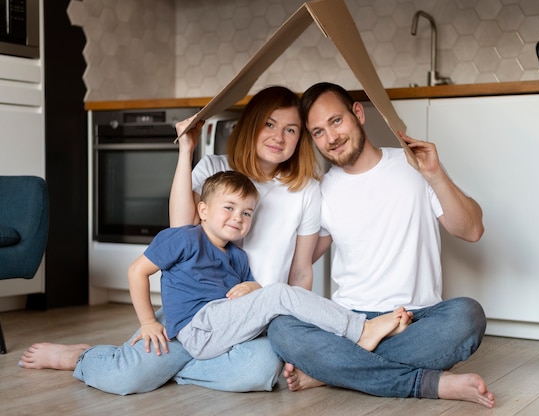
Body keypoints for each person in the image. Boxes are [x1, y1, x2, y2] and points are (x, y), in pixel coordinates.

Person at [18, 86, 323, 395]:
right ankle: (84, 356)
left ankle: (163, 368)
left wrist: (293, 331)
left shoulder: (306, 190)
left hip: (251, 321)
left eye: (291, 129)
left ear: (300, 138)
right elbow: (181, 228)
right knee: (126, 380)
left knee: (258, 372)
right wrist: (186, 150)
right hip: (192, 312)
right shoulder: (215, 168)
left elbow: (300, 272)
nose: (279, 137)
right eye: (269, 124)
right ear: (251, 124)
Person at [266, 82, 495, 409]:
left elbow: (472, 230)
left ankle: (333, 370)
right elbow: (297, 263)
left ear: (358, 114)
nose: (330, 138)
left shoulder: (412, 166)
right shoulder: (321, 190)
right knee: (281, 329)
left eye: (336, 121)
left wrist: (436, 175)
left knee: (468, 316)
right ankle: (424, 382)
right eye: (317, 132)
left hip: (415, 320)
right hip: (349, 321)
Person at [131, 170, 411, 360]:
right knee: (278, 294)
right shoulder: (183, 238)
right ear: (203, 210)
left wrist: (253, 287)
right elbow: (137, 271)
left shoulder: (238, 257)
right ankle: (362, 330)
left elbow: (250, 294)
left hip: (224, 323)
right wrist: (147, 322)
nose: (237, 217)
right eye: (228, 207)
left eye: (246, 212)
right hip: (198, 329)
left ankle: (342, 347)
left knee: (285, 316)